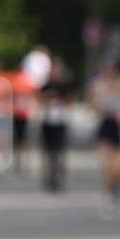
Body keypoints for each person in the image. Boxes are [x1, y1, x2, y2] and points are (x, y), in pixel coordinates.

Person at [87, 55, 120, 217]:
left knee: (119, 168)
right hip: (106, 124)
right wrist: (100, 104)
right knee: (108, 166)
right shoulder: (97, 84)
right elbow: (92, 105)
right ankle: (108, 196)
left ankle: (117, 188)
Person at [39, 56, 72, 191]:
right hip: (47, 121)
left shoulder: (63, 86)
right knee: (48, 151)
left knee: (59, 151)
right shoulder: (45, 85)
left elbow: (69, 101)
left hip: (60, 120)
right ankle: (49, 175)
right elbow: (38, 98)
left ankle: (58, 175)